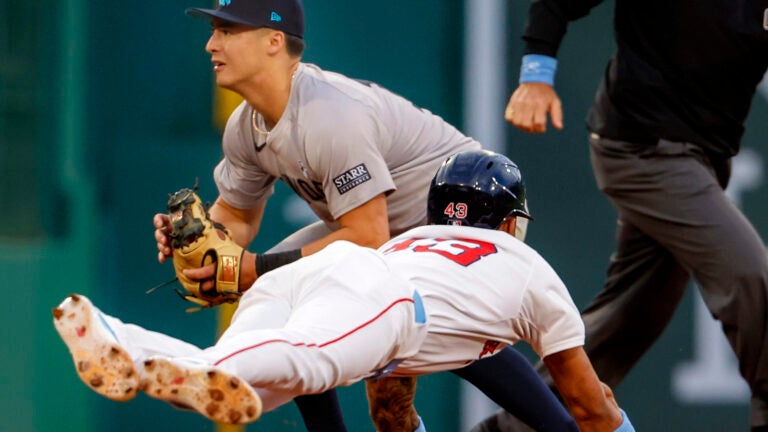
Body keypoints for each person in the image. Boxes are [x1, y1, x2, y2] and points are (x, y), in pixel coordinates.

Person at [152, 1, 575, 431]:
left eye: (227, 31)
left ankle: (565, 426)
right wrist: (202, 243)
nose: (210, 44)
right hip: (384, 228)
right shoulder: (246, 125)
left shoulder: (329, 116)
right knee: (304, 311)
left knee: (426, 335)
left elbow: (368, 237)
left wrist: (254, 268)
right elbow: (237, 216)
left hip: (463, 216)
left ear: (273, 42)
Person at [56, 150, 634, 432]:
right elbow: (588, 406)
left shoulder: (414, 244)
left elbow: (389, 406)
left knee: (258, 382)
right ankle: (134, 345)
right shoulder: (526, 268)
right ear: (510, 223)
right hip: (381, 298)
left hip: (319, 275)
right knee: (300, 361)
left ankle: (129, 351)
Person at [489, 0, 768, 431]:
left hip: (703, 158)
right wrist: (535, 77)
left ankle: (516, 425)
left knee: (628, 321)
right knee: (752, 278)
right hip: (639, 150)